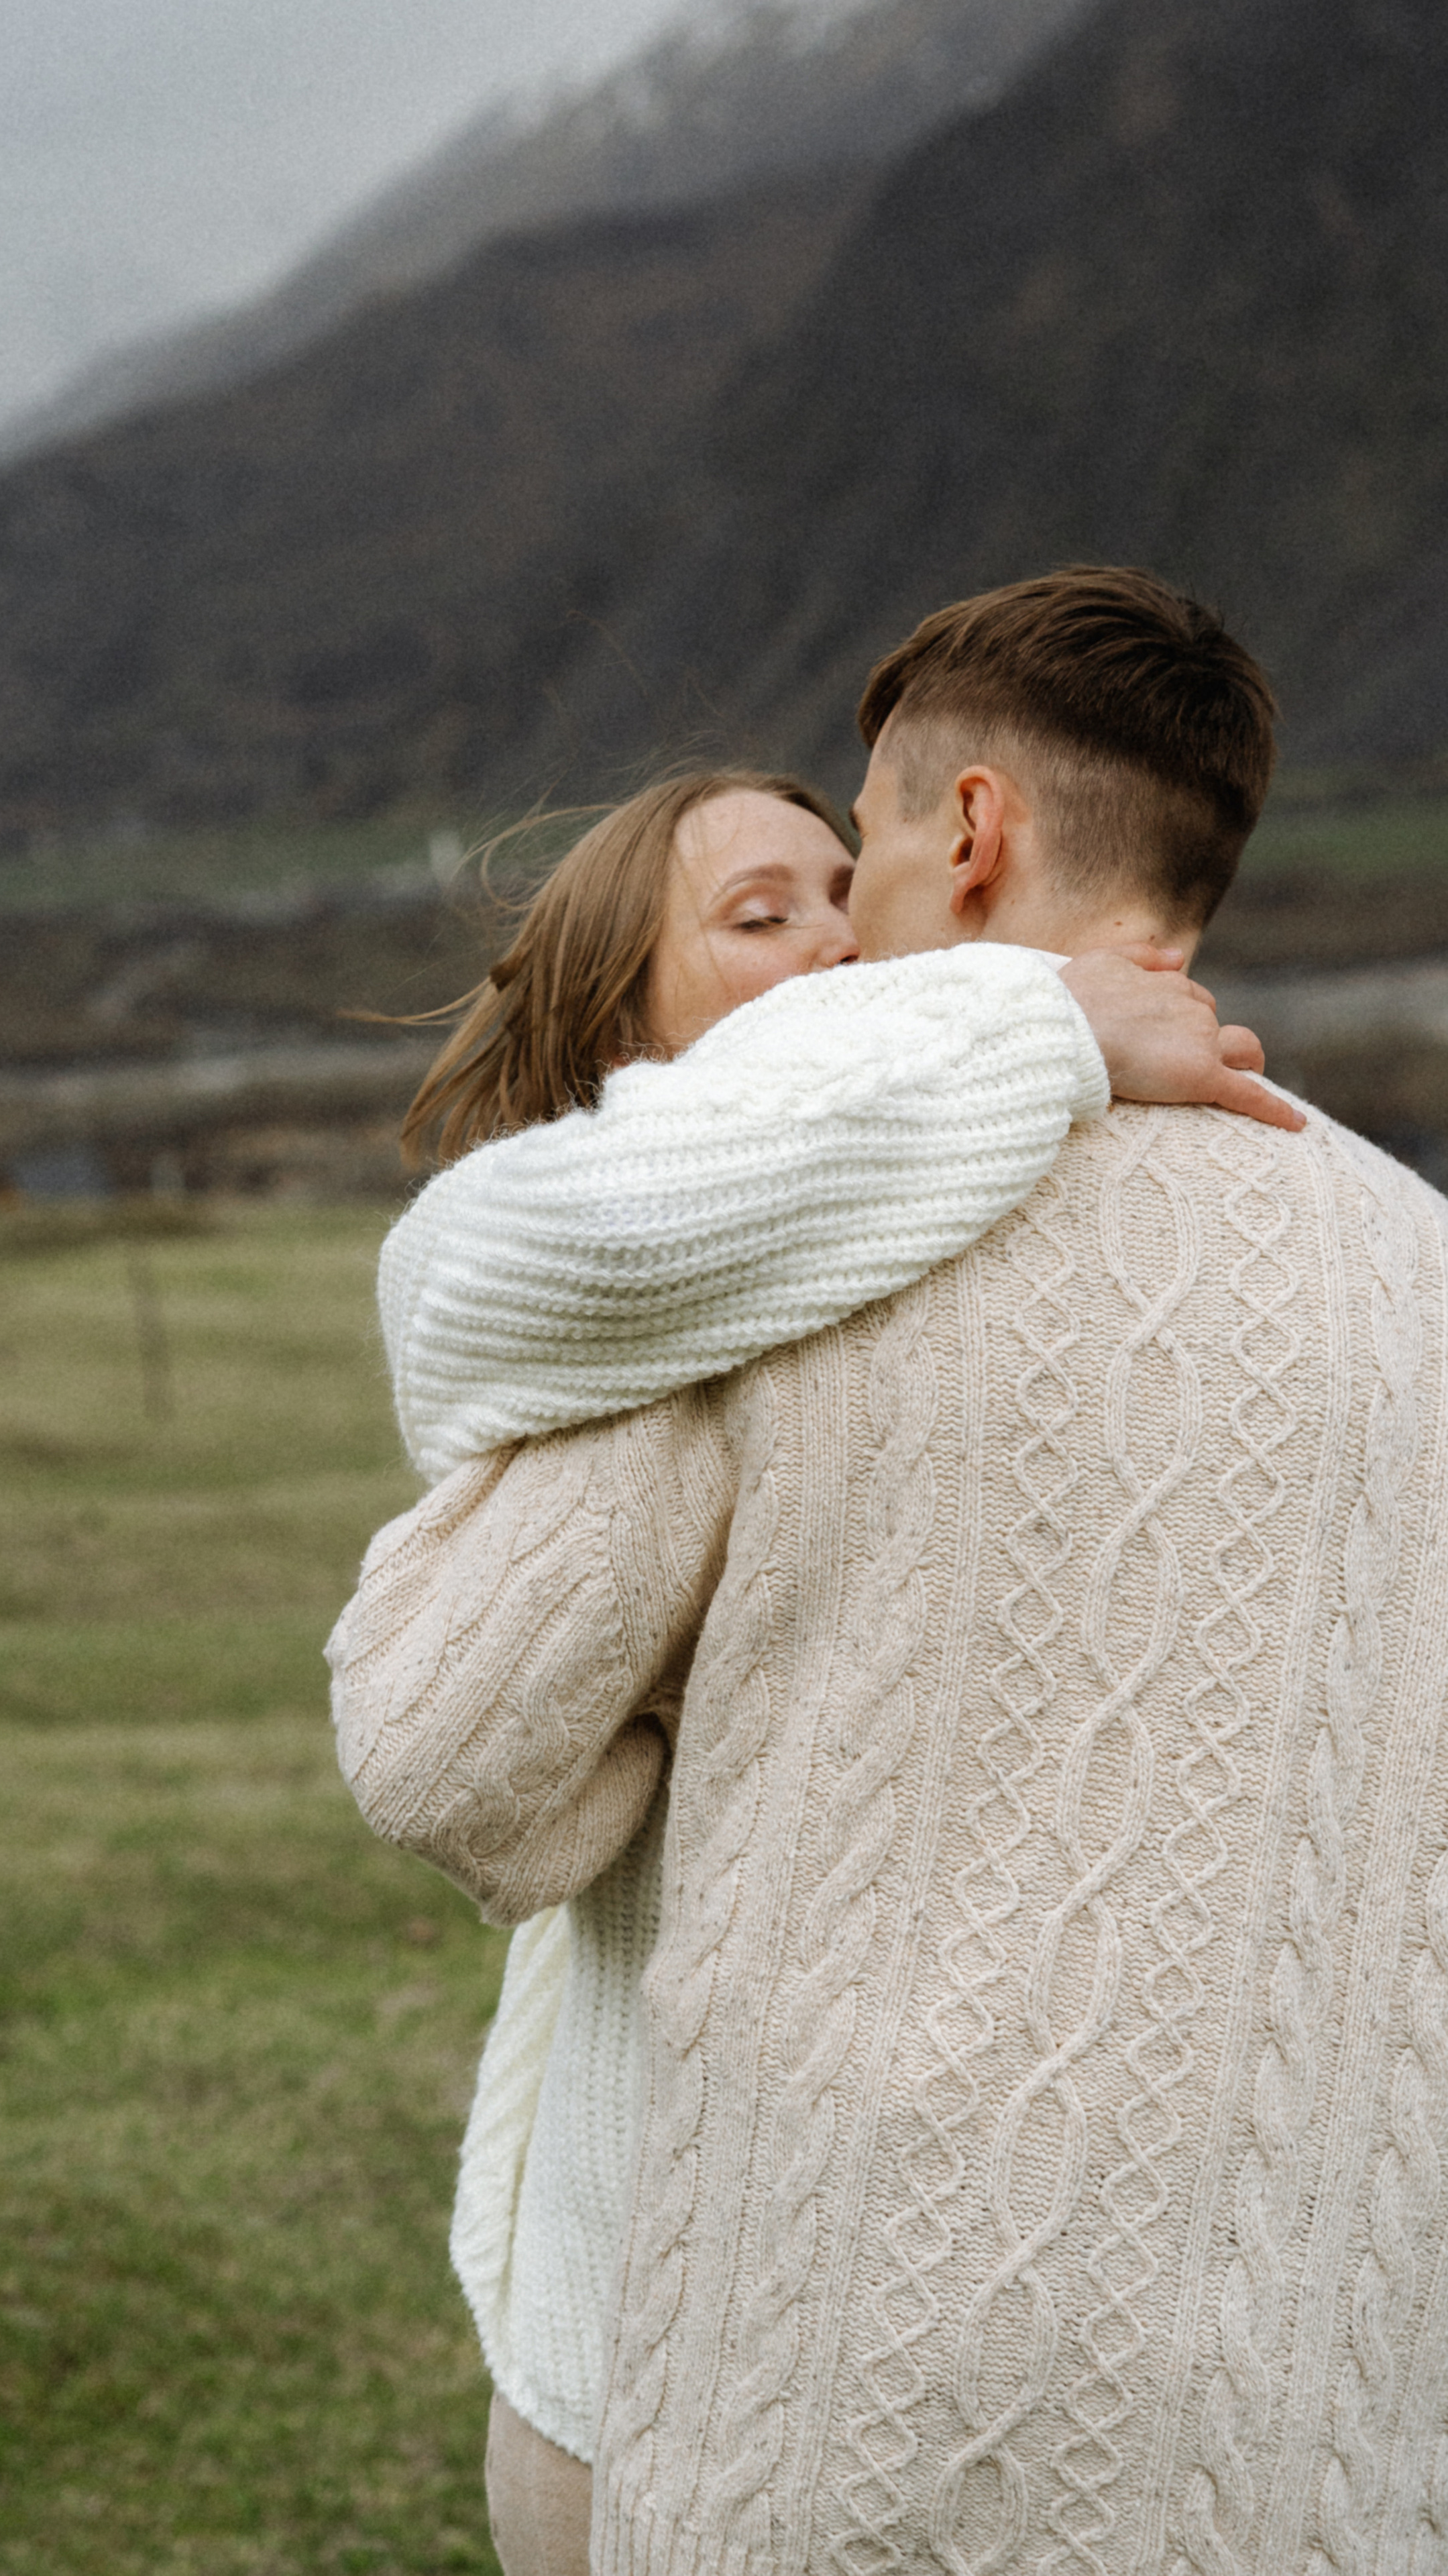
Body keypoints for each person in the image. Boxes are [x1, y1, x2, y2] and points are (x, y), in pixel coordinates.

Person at [332, 568, 1448, 2575]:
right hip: (1311, 2414)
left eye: (859, 851)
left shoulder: (785, 1263)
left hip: (810, 2392)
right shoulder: (1418, 1262)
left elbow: (449, 1756)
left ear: (973, 829)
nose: (844, 941)